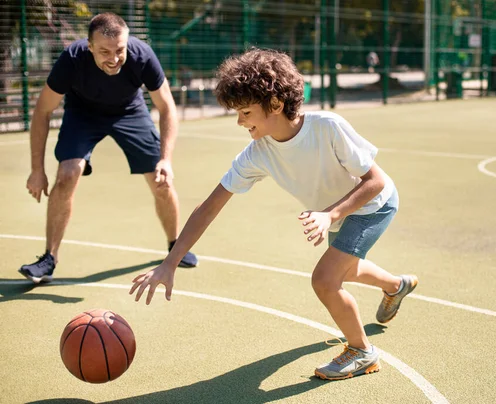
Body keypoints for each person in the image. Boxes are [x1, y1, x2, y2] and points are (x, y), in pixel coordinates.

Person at [129, 48, 418, 381]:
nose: (240, 122)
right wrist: (170, 262)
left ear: (276, 105)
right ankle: (397, 286)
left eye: (246, 112)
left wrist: (329, 215)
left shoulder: (327, 127)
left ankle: (362, 351)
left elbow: (376, 181)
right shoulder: (257, 154)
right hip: (337, 214)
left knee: (325, 280)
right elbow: (209, 207)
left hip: (371, 205)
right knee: (346, 269)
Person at [18, 12, 197, 284]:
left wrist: (166, 159)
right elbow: (42, 111)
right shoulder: (72, 60)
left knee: (161, 180)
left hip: (130, 111)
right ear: (89, 46)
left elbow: (167, 108)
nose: (113, 58)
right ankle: (49, 258)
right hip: (83, 112)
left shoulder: (142, 56)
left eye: (119, 50)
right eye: (104, 51)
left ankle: (176, 245)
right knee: (67, 174)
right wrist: (36, 170)